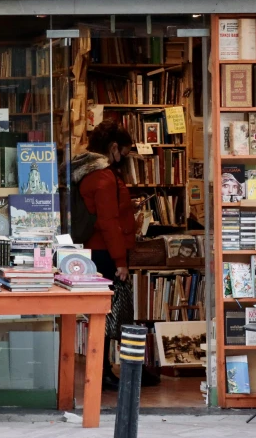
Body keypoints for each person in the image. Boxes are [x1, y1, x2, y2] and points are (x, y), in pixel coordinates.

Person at [70, 119, 159, 390]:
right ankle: (106, 371)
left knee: (109, 312)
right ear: (113, 147)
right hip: (105, 253)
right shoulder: (104, 177)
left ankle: (109, 369)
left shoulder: (91, 173)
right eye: (125, 150)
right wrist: (121, 261)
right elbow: (107, 221)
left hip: (99, 250)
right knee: (112, 313)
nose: (126, 156)